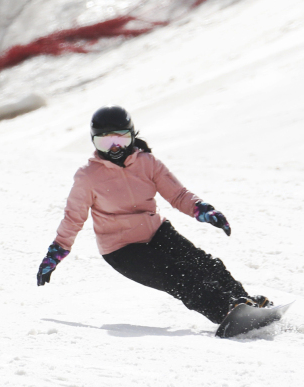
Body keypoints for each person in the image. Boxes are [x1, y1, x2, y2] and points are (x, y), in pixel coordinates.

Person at [36, 105, 270, 324]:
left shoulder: (147, 163)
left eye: (121, 139)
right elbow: (73, 218)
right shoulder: (88, 176)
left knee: (205, 264)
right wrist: (55, 253)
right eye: (106, 142)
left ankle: (245, 302)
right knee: (181, 276)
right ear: (94, 142)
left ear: (132, 135)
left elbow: (178, 195)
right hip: (122, 249)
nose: (115, 148)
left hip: (156, 232)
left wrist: (203, 210)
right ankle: (227, 311)